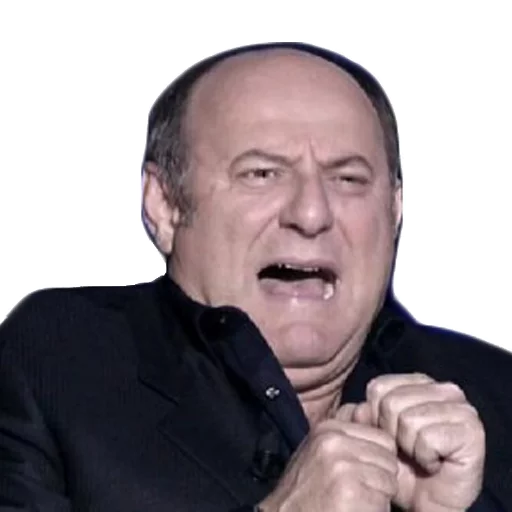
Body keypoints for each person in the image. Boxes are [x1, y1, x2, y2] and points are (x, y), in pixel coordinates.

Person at [0, 42, 511, 512]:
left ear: (395, 208)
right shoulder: (54, 363)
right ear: (165, 205)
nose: (311, 213)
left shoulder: (497, 395)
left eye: (348, 179)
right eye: (262, 174)